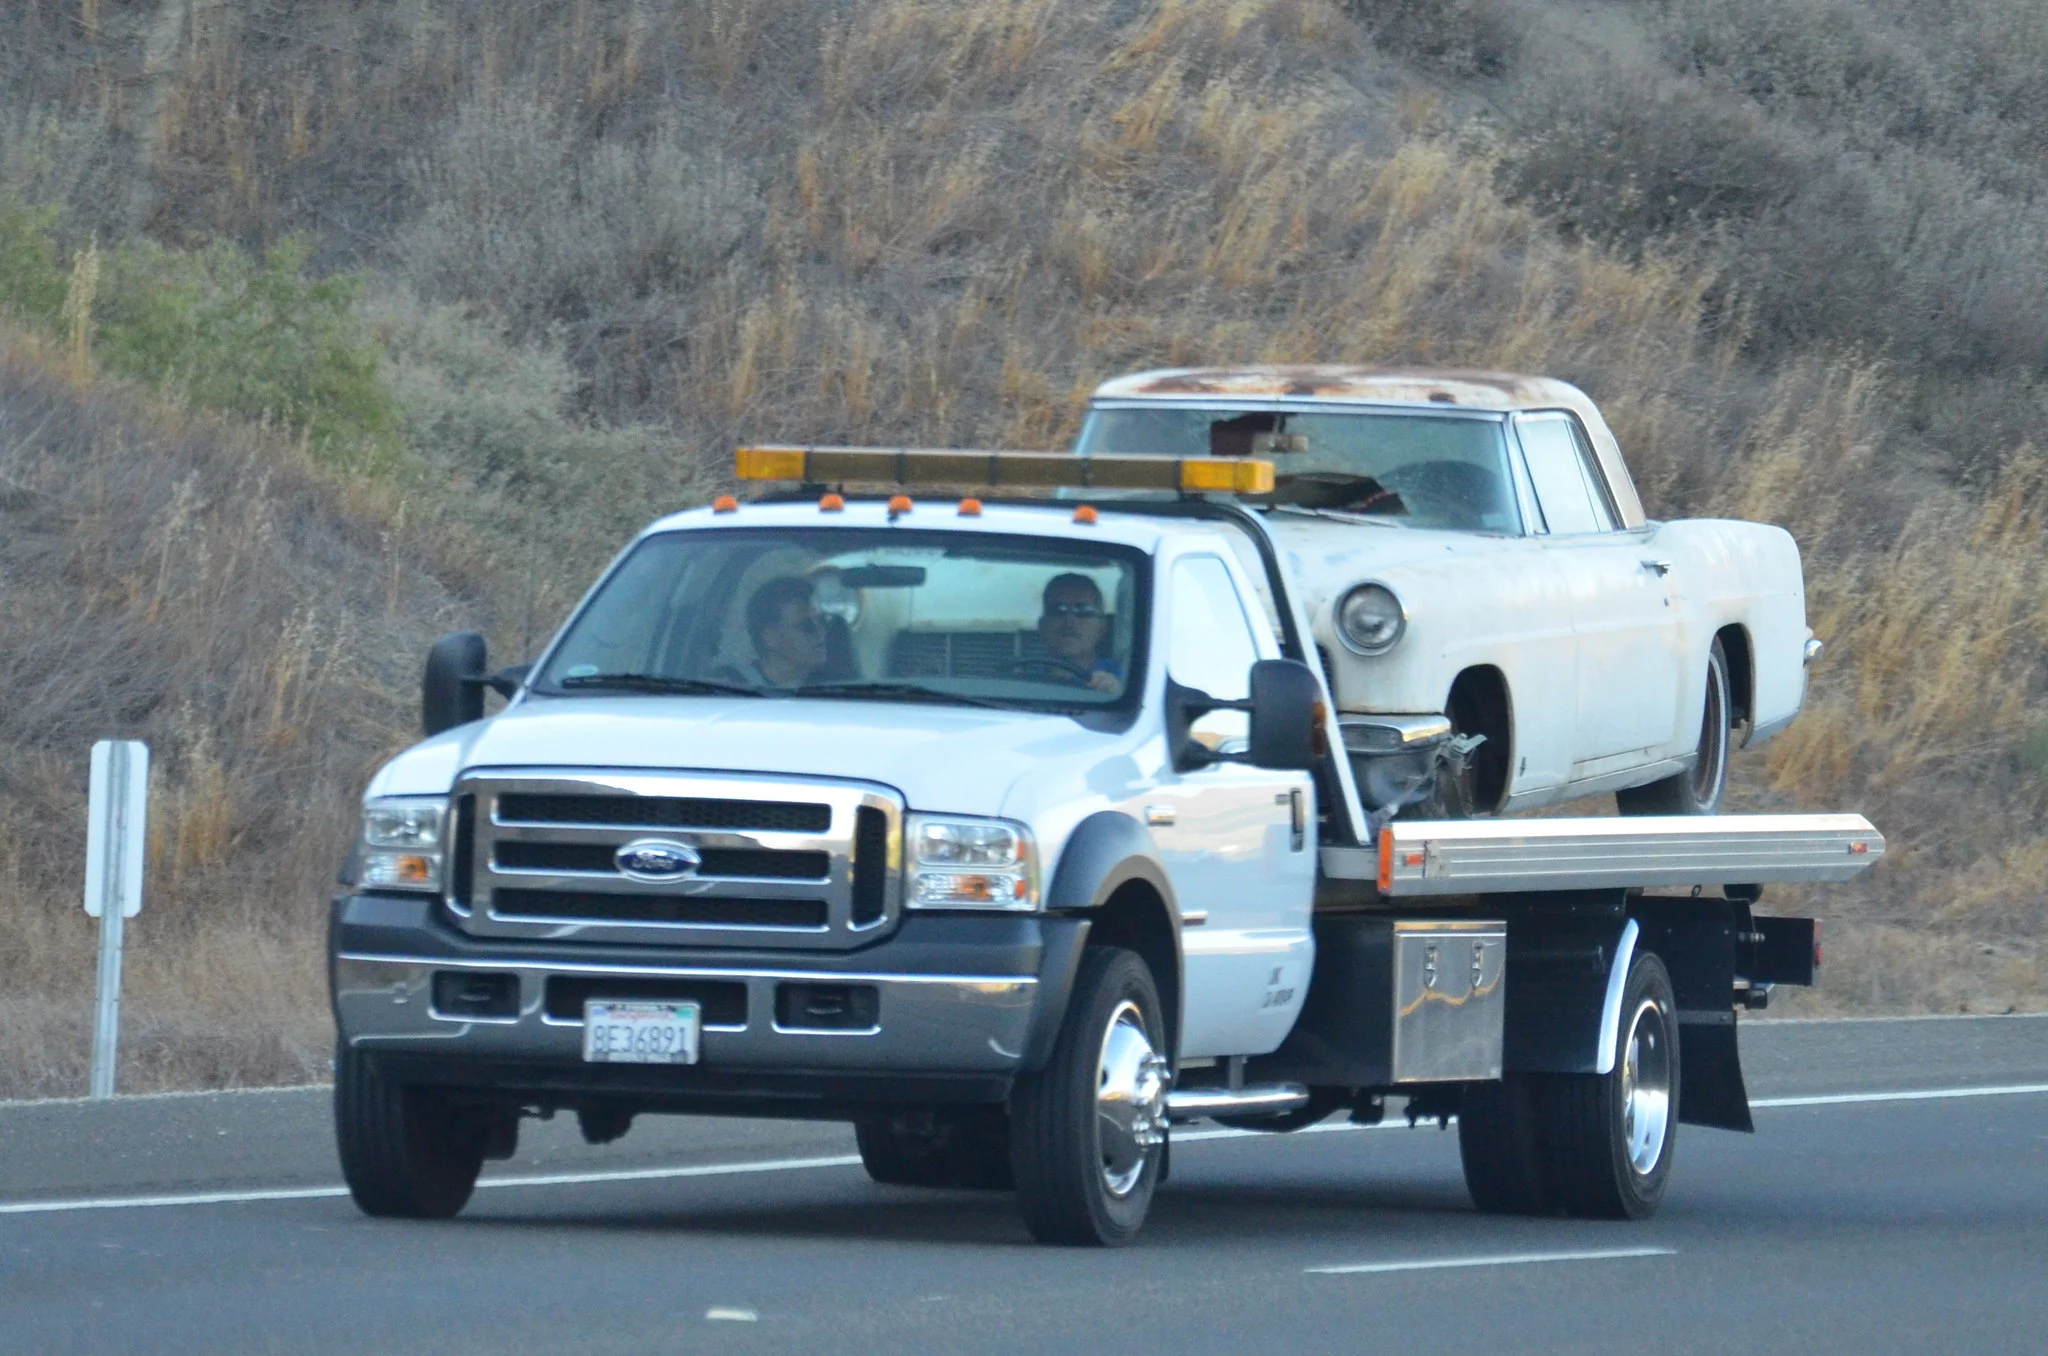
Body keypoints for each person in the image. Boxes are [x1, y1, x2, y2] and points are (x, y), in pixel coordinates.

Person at [1036, 573, 1123, 694]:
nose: (1069, 621)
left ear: (1102, 627)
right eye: (1059, 611)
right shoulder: (1022, 678)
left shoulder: (1128, 680)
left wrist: (1116, 693)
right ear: (1042, 626)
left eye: (1083, 611)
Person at [736, 576, 828, 688]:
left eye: (823, 622)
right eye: (807, 626)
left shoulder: (836, 687)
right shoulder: (727, 690)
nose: (821, 632)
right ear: (770, 637)